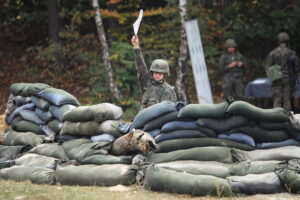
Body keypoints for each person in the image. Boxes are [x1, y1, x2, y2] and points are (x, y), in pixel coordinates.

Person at [131, 35, 177, 110]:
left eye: (160, 73)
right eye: (156, 73)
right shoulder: (146, 83)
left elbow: (173, 110)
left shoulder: (169, 91)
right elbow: (141, 67)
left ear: (164, 74)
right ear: (152, 73)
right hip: (145, 119)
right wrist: (136, 46)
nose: (157, 75)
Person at [265, 32, 299, 111]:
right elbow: (297, 67)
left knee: (277, 99)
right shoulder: (291, 53)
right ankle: (286, 118)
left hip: (277, 79)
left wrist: (274, 75)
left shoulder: (273, 53)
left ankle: (276, 117)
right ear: (287, 41)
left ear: (278, 41)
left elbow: (268, 66)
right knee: (287, 99)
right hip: (288, 78)